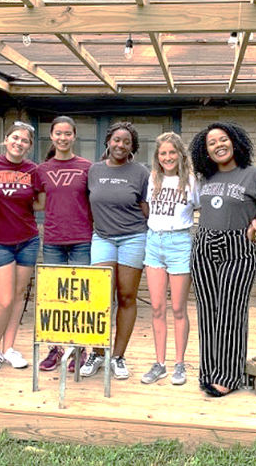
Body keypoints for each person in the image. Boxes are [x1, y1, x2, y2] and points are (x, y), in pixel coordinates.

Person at [189, 122, 256, 397]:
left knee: (230, 313)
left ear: (235, 143)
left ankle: (229, 376)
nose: (218, 145)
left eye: (223, 139)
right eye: (211, 143)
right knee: (208, 313)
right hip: (203, 246)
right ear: (206, 151)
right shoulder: (206, 178)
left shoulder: (254, 175)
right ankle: (210, 372)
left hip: (237, 248)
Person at [81, 122, 149, 380]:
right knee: (98, 297)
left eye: (127, 142)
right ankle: (97, 353)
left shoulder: (141, 172)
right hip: (103, 238)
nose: (121, 145)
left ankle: (118, 356)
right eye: (117, 140)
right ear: (108, 141)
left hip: (134, 237)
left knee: (127, 297)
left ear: (133, 147)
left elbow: (146, 207)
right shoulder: (94, 170)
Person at [0, 122, 39, 371]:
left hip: (28, 239)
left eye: (24, 141)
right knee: (3, 299)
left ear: (29, 146)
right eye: (15, 138)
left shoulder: (33, 170)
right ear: (6, 139)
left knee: (17, 297)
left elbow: (40, 201)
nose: (19, 143)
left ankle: (9, 348)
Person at [34, 116, 93, 373]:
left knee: (81, 298)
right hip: (53, 241)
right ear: (52, 135)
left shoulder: (87, 167)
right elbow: (38, 202)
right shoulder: (42, 170)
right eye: (58, 133)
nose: (63, 138)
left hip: (82, 239)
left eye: (68, 133)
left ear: (74, 136)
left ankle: (79, 349)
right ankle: (56, 348)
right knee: (55, 298)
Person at [140, 132, 199, 386]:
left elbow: (200, 208)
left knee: (177, 308)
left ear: (180, 154)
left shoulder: (192, 182)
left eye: (172, 152)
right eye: (163, 153)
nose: (167, 157)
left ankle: (179, 364)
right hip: (154, 243)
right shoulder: (153, 179)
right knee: (156, 308)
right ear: (158, 156)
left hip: (179, 243)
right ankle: (160, 363)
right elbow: (147, 208)